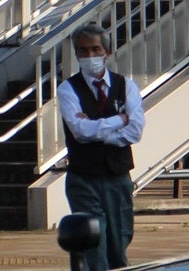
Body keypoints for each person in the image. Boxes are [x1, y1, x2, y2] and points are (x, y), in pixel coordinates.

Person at [57, 23, 146, 271]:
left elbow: (135, 130)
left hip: (118, 175)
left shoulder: (125, 86)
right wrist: (119, 120)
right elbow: (80, 131)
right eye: (83, 51)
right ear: (76, 55)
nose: (89, 56)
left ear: (106, 51)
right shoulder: (68, 89)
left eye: (95, 49)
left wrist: (100, 131)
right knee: (93, 239)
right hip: (84, 176)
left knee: (120, 239)